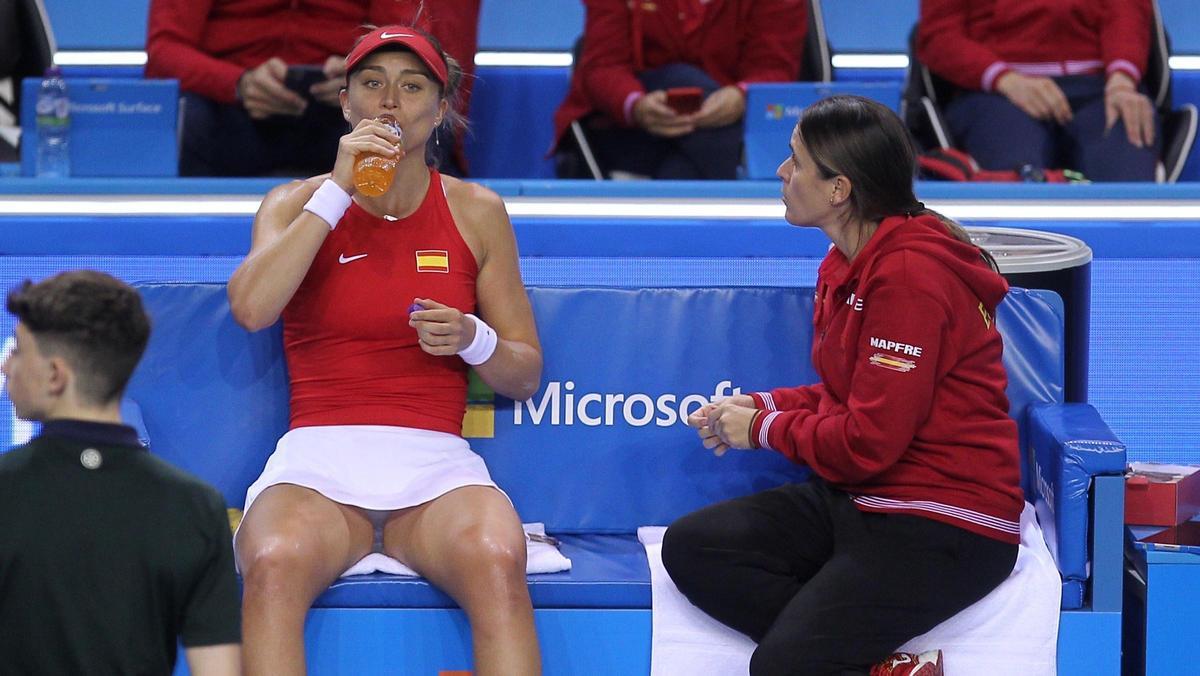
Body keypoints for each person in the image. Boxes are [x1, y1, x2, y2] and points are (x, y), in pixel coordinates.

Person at [659, 96, 1024, 676]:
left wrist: (762, 429)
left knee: (785, 667)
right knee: (694, 548)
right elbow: (849, 393)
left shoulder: (910, 277)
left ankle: (822, 654)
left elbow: (867, 441)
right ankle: (880, 665)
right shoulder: (844, 262)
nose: (781, 173)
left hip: (944, 520)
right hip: (861, 499)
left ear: (838, 190)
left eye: (796, 161)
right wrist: (765, 404)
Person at [225, 25, 543, 676]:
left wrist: (473, 336)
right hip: (316, 468)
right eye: (372, 84)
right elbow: (252, 309)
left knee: (495, 556)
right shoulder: (292, 203)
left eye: (411, 85)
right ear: (346, 105)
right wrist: (336, 191)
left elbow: (524, 374)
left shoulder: (478, 211)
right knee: (274, 560)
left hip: (436, 474)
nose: (389, 101)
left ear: (441, 107)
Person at [0, 270, 242, 675]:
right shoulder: (195, 508)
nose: (6, 367)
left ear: (56, 375)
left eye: (18, 351)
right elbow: (217, 669)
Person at [145, 0, 479, 177]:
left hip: (342, 107)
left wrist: (358, 72)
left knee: (413, 115)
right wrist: (237, 83)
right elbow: (164, 51)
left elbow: (403, 36)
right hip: (229, 106)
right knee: (188, 121)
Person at [552, 0, 807, 180]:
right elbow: (603, 65)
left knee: (681, 170)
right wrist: (637, 106)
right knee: (680, 79)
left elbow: (774, 66)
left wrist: (741, 96)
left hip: (726, 125)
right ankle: (749, 178)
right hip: (630, 129)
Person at [917, 0, 1159, 182]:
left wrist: (1122, 81)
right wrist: (1006, 80)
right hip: (995, 92)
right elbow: (938, 36)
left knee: (1124, 189)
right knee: (1018, 184)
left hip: (1103, 87)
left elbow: (1127, 13)